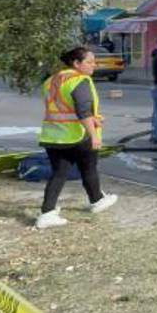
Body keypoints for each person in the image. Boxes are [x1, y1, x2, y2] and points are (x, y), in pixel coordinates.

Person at [36, 46, 118, 229]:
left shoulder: (51, 80)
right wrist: (94, 135)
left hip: (54, 135)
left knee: (58, 173)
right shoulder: (80, 81)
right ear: (76, 63)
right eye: (89, 62)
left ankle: (47, 212)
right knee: (89, 168)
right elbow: (83, 111)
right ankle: (96, 200)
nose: (93, 66)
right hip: (78, 135)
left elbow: (59, 107)